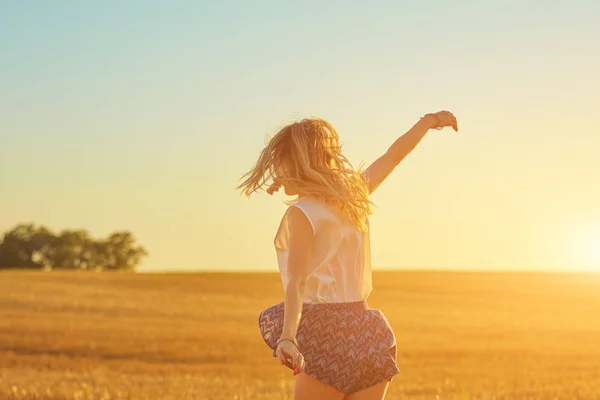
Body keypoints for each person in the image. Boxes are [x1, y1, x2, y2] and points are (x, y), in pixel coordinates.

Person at [237, 111, 458, 400]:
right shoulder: (355, 195)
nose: (276, 172)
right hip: (367, 332)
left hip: (324, 336)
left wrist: (288, 337)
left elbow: (297, 283)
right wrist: (428, 122)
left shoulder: (302, 213)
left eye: (280, 164)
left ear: (298, 164)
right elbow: (393, 156)